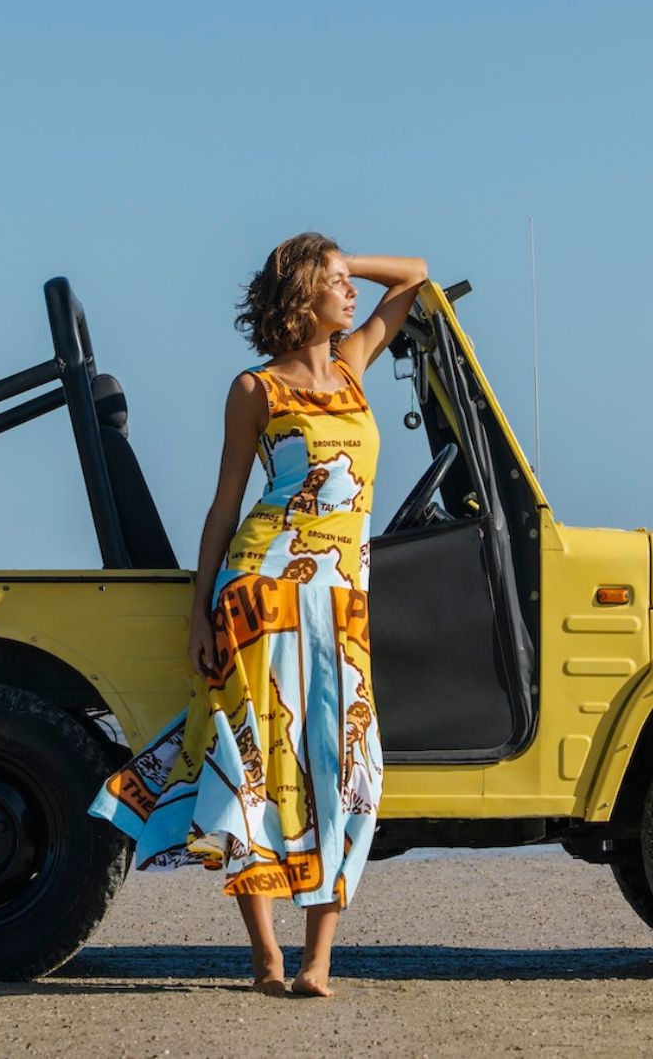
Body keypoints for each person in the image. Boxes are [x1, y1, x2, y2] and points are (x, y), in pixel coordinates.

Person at [90, 233, 428, 997]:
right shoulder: (255, 390)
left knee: (347, 767)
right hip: (259, 591)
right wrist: (199, 613)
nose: (351, 291)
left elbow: (415, 276)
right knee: (253, 767)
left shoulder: (354, 365)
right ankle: (267, 955)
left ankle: (320, 960)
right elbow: (225, 506)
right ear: (303, 296)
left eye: (348, 280)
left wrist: (340, 257)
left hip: (340, 603)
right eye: (335, 282)